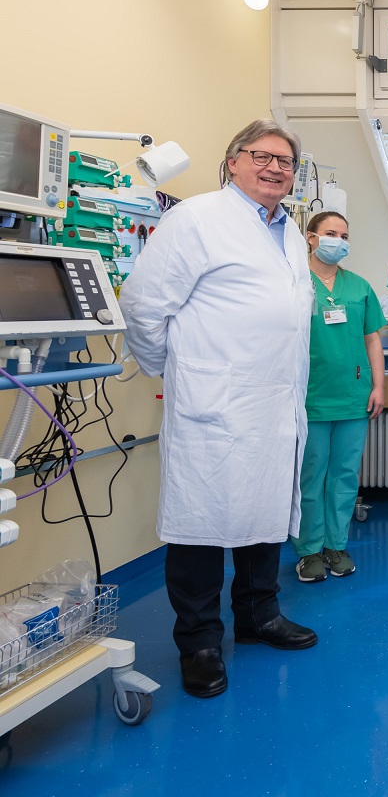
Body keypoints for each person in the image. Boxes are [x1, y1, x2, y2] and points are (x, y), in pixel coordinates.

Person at [120, 119, 319, 699]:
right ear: (233, 161)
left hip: (274, 403)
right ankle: (200, 642)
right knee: (200, 524)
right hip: (214, 404)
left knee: (264, 512)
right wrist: (175, 369)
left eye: (286, 161)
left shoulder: (289, 231)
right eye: (262, 156)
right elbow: (143, 306)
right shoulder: (196, 218)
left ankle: (259, 615)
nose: (275, 168)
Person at [293, 211, 387, 582]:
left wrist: (379, 386)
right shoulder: (295, 283)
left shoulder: (359, 287)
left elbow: (372, 339)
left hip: (353, 397)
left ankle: (335, 545)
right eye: (331, 233)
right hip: (310, 397)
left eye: (344, 236)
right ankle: (309, 551)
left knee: (345, 475)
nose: (339, 241)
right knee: (311, 476)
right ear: (310, 237)